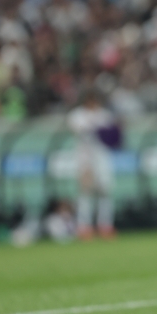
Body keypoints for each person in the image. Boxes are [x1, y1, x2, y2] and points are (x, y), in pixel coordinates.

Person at [67, 91, 118, 240]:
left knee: (105, 192)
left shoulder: (105, 115)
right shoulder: (77, 115)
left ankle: (105, 226)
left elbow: (113, 135)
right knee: (85, 193)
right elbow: (79, 129)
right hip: (85, 158)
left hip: (102, 158)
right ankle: (84, 227)